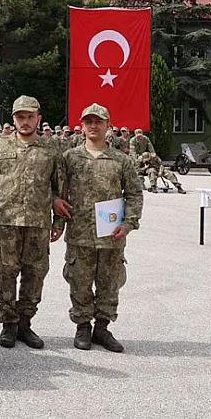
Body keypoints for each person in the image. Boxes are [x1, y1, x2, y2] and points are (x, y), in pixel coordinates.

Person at [53, 103, 144, 352]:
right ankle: (82, 326)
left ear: (108, 125)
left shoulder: (121, 160)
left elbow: (134, 194)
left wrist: (128, 224)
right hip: (79, 232)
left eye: (98, 122)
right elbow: (60, 194)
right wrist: (58, 223)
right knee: (79, 281)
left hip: (111, 235)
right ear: (81, 126)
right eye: (88, 122)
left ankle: (102, 328)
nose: (93, 126)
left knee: (109, 282)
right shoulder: (70, 158)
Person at [0, 96, 65, 349]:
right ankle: (8, 324)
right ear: (13, 119)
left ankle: (25, 323)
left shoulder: (51, 149)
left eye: (30, 117)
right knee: (5, 273)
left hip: (38, 223)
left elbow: (59, 188)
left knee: (35, 274)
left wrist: (58, 223)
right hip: (6, 222)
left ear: (39, 118)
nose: (25, 122)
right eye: (20, 117)